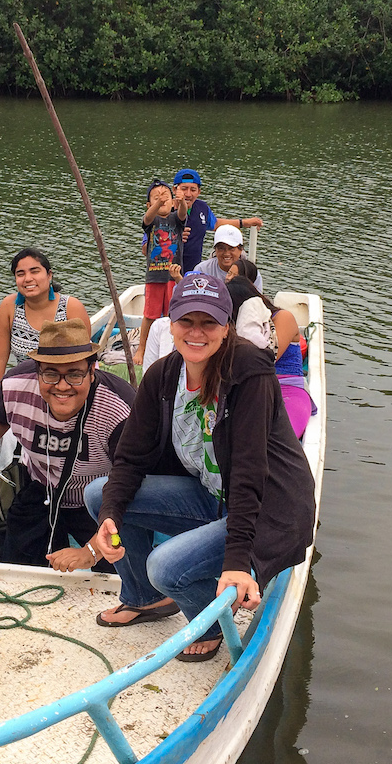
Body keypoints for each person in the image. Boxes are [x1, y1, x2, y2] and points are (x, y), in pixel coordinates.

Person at [86, 276, 316, 661]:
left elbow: (248, 470)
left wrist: (238, 562)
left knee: (165, 566)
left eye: (208, 322)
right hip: (212, 495)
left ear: (226, 326)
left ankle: (208, 625)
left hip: (268, 508)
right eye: (185, 322)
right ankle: (146, 598)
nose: (196, 333)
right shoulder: (161, 375)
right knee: (101, 495)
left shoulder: (248, 373)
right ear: (170, 323)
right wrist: (111, 515)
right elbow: (130, 457)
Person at [0, 319, 135, 573]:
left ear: (93, 370)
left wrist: (89, 553)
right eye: (51, 373)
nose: (62, 385)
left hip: (100, 501)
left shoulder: (119, 408)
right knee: (11, 572)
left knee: (125, 573)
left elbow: (131, 487)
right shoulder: (14, 385)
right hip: (40, 490)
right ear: (37, 371)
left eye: (75, 374)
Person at [0, 248, 91, 393]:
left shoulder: (71, 307)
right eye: (20, 274)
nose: (28, 278)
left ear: (49, 275)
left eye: (34, 271)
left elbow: (84, 360)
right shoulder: (9, 307)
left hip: (63, 389)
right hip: (24, 386)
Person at [227, 276, 315, 438]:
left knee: (276, 437)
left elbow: (266, 360)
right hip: (253, 391)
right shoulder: (230, 327)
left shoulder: (283, 317)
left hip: (287, 390)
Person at [172, 168, 263, 274]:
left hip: (193, 271)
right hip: (166, 272)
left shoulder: (202, 208)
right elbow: (148, 244)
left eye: (193, 190)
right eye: (184, 189)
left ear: (199, 192)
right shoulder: (164, 211)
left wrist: (244, 223)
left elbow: (215, 224)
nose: (188, 194)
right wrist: (173, 236)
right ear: (174, 190)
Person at [137, 179, 187, 365]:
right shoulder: (152, 220)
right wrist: (158, 203)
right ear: (149, 204)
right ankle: (142, 349)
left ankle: (170, 350)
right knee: (150, 315)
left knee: (171, 314)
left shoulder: (176, 218)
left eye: (165, 195)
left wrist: (180, 202)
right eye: (156, 197)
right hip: (154, 275)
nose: (162, 199)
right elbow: (147, 219)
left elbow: (182, 215)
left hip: (173, 275)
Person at [190, 225, 265, 292]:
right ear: (215, 250)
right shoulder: (202, 269)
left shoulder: (251, 272)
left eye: (231, 248)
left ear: (241, 250)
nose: (226, 253)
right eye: (221, 248)